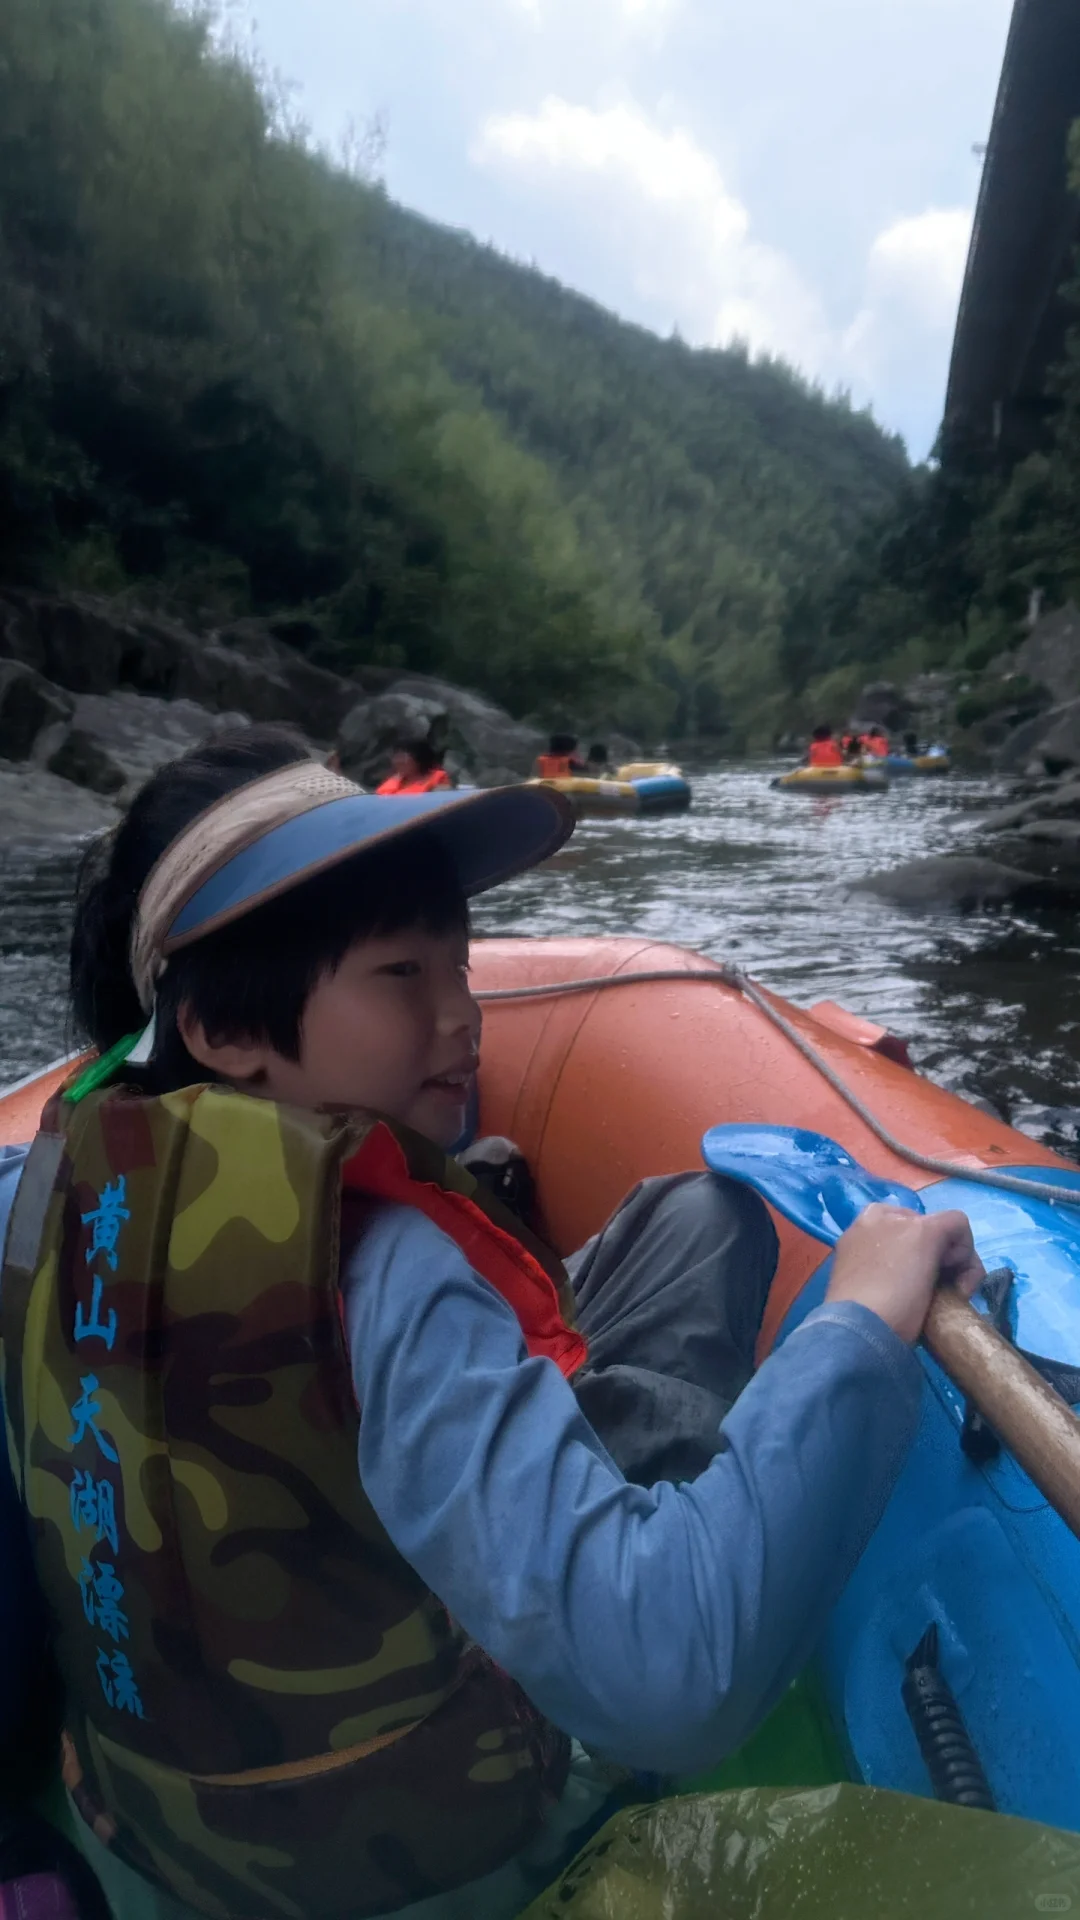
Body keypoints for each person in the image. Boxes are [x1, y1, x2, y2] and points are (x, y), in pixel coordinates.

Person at [0, 726, 984, 1920]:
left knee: (698, 1214)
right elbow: (671, 1674)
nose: (464, 1020)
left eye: (458, 966)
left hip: (160, 1834)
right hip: (438, 1854)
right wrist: (858, 1323)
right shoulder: (383, 1266)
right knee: (730, 1274)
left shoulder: (41, 1190)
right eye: (401, 976)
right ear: (221, 1030)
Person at [376, 736, 452, 794]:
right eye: (395, 757)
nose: (398, 762)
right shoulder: (393, 782)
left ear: (419, 758)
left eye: (403, 757)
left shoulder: (438, 779)